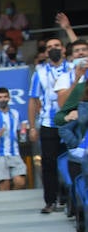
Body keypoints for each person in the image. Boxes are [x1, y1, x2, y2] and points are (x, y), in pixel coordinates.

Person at [29, 35, 75, 213]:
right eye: (50, 47)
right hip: (49, 123)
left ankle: (69, 197)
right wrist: (32, 127)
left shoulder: (73, 68)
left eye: (57, 45)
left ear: (64, 49)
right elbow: (33, 100)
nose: (53, 48)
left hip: (72, 121)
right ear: (46, 51)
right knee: (48, 163)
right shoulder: (39, 72)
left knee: (74, 159)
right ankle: (50, 201)